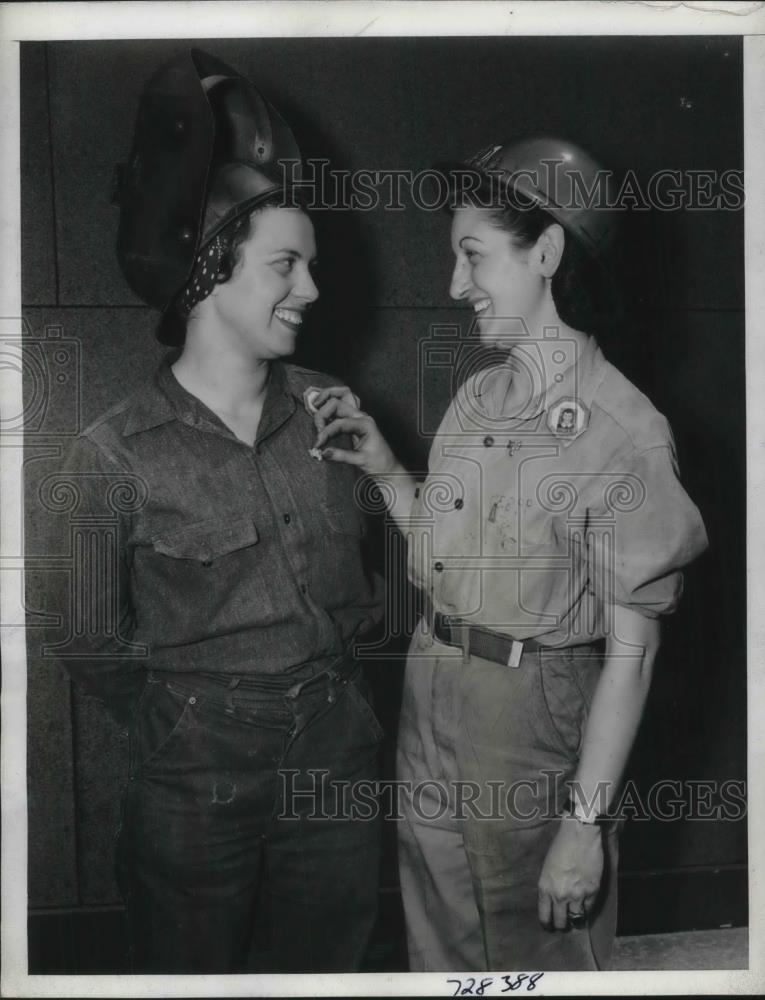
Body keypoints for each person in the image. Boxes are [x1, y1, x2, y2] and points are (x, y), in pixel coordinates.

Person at [311, 137, 709, 971]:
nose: (456, 284)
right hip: (431, 686)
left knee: (538, 963)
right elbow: (443, 560)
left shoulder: (622, 432)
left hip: (530, 717)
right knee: (440, 952)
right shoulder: (477, 395)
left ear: (548, 252)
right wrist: (387, 472)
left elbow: (632, 659)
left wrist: (583, 825)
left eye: (472, 256)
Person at [46, 49, 384, 974]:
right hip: (196, 770)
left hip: (337, 750)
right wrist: (191, 718)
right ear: (208, 269)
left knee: (331, 974)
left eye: (310, 265)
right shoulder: (111, 453)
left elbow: (381, 579)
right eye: (286, 265)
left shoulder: (332, 410)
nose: (311, 289)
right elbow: (83, 637)